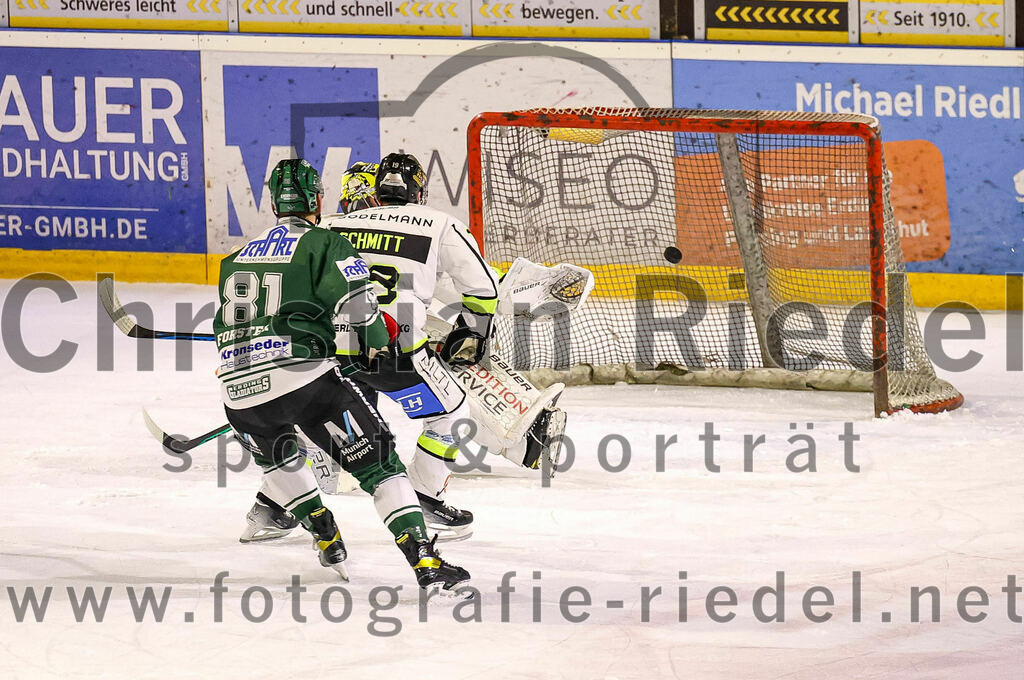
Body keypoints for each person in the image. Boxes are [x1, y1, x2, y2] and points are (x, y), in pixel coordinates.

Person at [215, 158, 470, 597]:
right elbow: (359, 306)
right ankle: (425, 562)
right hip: (305, 383)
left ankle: (323, 532)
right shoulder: (324, 242)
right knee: (382, 470)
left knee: (280, 460)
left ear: (273, 203)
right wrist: (375, 339)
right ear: (317, 199)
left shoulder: (234, 258)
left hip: (237, 391)